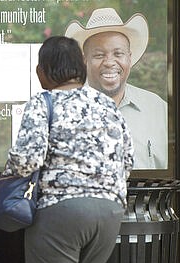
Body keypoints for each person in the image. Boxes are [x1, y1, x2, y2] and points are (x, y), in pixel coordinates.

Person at [3, 36, 134, 263]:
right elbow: (127, 161)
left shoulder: (43, 103)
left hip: (61, 216)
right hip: (110, 214)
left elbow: (26, 160)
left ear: (43, 72)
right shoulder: (108, 105)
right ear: (82, 68)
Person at [65, 7, 167, 170]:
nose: (109, 62)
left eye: (118, 54)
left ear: (129, 58)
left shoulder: (158, 109)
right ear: (84, 60)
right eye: (99, 55)